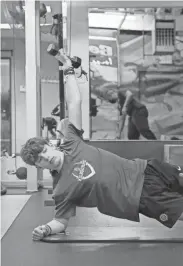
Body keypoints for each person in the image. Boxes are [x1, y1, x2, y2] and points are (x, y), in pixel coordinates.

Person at [20, 50, 183, 241]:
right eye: (40, 159)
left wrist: (68, 70)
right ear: (39, 167)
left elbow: (74, 102)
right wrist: (46, 229)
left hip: (146, 168)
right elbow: (60, 222)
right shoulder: (61, 189)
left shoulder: (71, 141)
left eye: (44, 151)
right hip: (138, 196)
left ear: (51, 145)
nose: (46, 157)